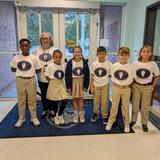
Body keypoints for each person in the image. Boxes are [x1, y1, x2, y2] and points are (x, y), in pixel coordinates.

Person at [10, 38, 41, 127]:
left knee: (32, 100)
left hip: (31, 80)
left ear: (29, 46)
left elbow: (38, 69)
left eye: (26, 45)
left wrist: (29, 72)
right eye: (23, 46)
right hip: (20, 80)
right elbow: (12, 69)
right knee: (21, 100)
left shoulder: (34, 58)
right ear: (20, 47)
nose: (25, 47)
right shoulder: (16, 58)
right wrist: (22, 72)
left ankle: (33, 117)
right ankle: (21, 118)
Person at [130, 45, 160, 132]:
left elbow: (157, 76)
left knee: (145, 106)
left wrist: (152, 86)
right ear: (140, 53)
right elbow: (132, 75)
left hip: (147, 87)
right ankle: (133, 120)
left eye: (148, 52)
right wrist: (132, 85)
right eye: (144, 51)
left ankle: (144, 123)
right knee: (135, 105)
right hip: (136, 86)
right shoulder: (135, 63)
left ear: (151, 53)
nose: (145, 53)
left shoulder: (153, 64)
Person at [105, 47, 133, 133]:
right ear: (118, 55)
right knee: (114, 106)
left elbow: (133, 78)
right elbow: (110, 76)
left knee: (125, 107)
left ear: (128, 56)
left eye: (125, 55)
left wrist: (127, 85)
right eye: (121, 55)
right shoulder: (114, 66)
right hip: (116, 88)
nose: (123, 57)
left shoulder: (131, 66)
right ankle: (111, 121)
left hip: (126, 89)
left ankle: (127, 123)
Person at [32, 32, 56, 117]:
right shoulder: (36, 51)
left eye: (47, 38)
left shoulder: (54, 50)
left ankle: (53, 109)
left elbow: (58, 63)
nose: (45, 40)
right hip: (41, 77)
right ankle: (45, 109)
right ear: (41, 40)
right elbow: (33, 63)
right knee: (43, 94)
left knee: (52, 94)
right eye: (43, 38)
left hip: (52, 77)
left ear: (50, 40)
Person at [65, 46, 90, 123]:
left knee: (81, 99)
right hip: (73, 82)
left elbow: (87, 75)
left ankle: (81, 114)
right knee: (75, 99)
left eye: (79, 51)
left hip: (81, 82)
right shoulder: (69, 62)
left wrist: (86, 86)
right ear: (73, 53)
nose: (77, 53)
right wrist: (68, 87)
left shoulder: (84, 62)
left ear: (81, 52)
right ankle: (75, 114)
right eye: (75, 52)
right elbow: (67, 75)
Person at [90, 46, 112, 124]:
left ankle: (105, 116)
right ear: (97, 54)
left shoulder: (109, 64)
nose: (102, 55)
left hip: (105, 85)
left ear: (106, 54)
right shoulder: (94, 64)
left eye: (103, 54)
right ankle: (96, 113)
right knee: (96, 101)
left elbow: (110, 75)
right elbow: (92, 76)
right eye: (100, 54)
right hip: (96, 85)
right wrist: (91, 86)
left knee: (104, 101)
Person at [45, 49, 67, 125]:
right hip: (53, 84)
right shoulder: (50, 66)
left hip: (60, 84)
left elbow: (63, 76)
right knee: (54, 101)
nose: (58, 59)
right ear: (53, 57)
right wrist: (52, 81)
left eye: (59, 57)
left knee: (65, 100)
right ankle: (54, 116)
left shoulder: (63, 66)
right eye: (56, 57)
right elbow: (47, 76)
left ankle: (59, 115)